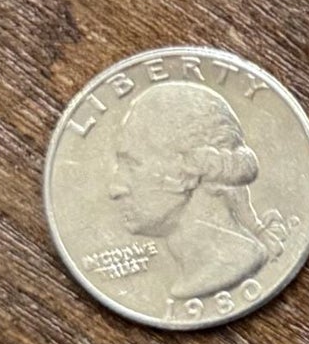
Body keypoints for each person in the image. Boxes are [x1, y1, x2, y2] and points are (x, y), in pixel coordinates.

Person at [108, 82, 275, 303]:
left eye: (132, 164)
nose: (114, 189)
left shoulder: (230, 263)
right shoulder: (195, 272)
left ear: (188, 168)